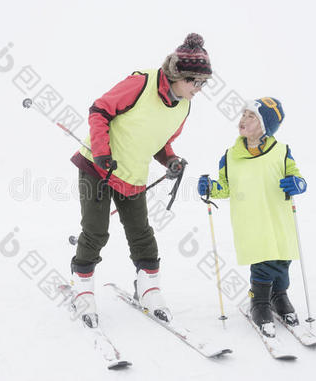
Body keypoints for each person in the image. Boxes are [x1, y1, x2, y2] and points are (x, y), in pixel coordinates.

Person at [69, 33, 213, 327]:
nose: (198, 89)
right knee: (96, 231)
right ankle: (82, 290)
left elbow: (160, 141)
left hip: (132, 174)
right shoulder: (142, 82)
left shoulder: (184, 105)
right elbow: (99, 110)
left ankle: (148, 288)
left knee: (141, 233)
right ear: (177, 75)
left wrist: (170, 159)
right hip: (98, 167)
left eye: (203, 83)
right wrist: (101, 152)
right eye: (193, 82)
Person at [197, 97, 307, 337]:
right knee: (263, 262)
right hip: (251, 221)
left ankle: (279, 296)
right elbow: (225, 188)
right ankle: (259, 302)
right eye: (243, 114)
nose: (243, 119)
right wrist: (210, 187)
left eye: (251, 116)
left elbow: (297, 177)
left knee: (281, 260)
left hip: (278, 217)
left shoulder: (282, 151)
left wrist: (297, 184)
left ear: (265, 125)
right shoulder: (230, 156)